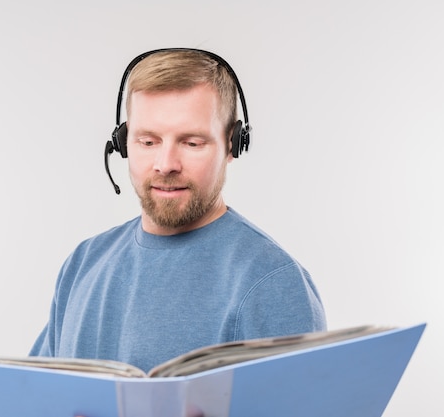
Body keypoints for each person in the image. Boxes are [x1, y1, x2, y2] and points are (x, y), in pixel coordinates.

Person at [29, 48, 326, 374]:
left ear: (232, 145)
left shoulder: (272, 283)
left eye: (192, 142)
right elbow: (33, 399)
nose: (166, 164)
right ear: (123, 143)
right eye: (148, 141)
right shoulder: (82, 265)